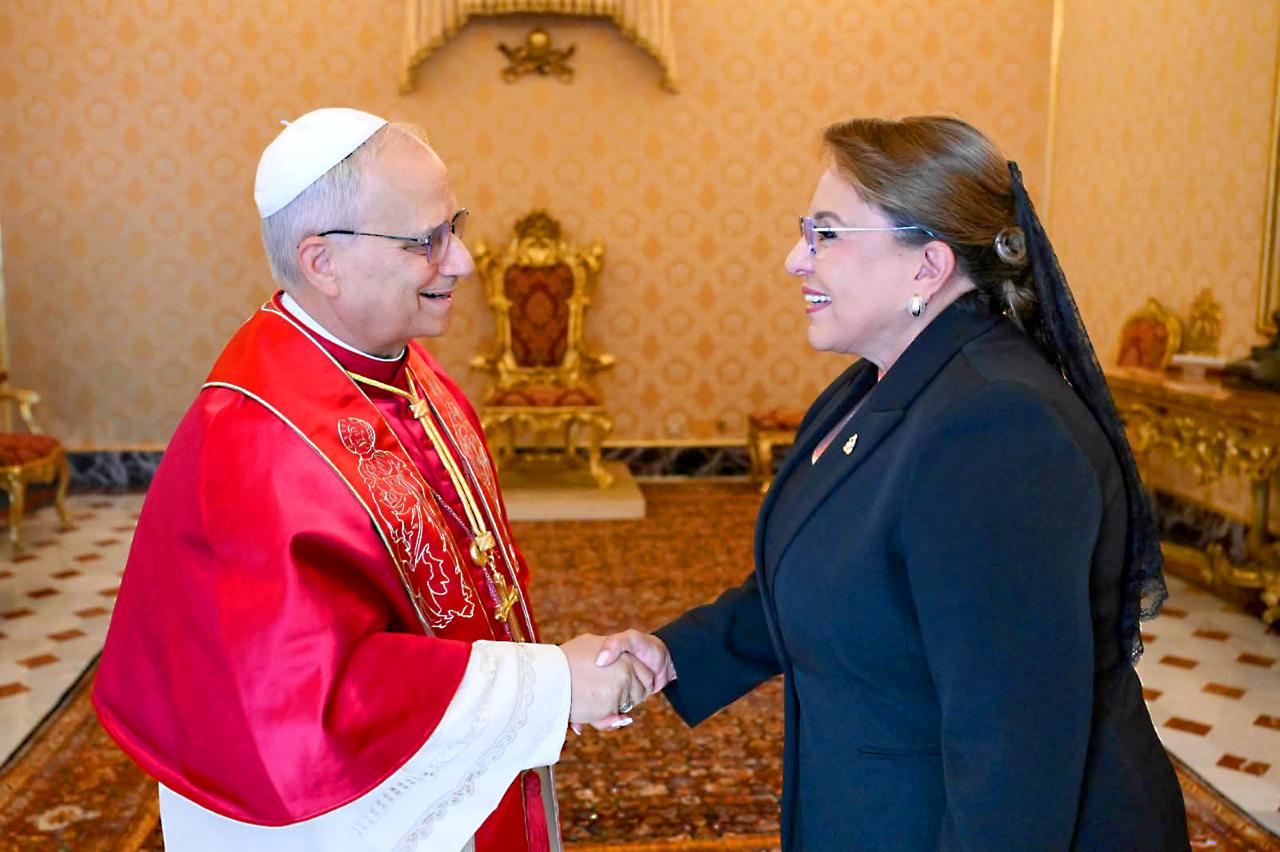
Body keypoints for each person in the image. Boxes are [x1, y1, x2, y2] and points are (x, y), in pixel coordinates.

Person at [599, 116, 1190, 850]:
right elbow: (829, 580)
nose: (795, 259)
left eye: (826, 234)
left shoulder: (998, 427)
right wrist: (673, 655)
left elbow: (1011, 745)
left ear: (927, 265)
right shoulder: (876, 386)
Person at [93, 107, 649, 852]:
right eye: (427, 240)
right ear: (322, 261)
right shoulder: (256, 440)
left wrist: (547, 682)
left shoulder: (401, 367)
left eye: (454, 227)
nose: (462, 261)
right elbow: (311, 699)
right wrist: (552, 686)